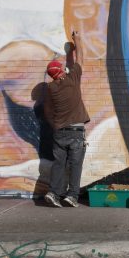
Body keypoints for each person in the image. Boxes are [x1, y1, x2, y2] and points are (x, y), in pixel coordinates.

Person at [43, 31, 90, 207]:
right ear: (62, 71)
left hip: (59, 131)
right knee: (75, 165)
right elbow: (80, 60)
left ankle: (53, 193)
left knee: (58, 164)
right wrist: (77, 40)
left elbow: (47, 110)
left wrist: (53, 124)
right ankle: (72, 196)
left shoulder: (51, 88)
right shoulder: (73, 79)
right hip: (76, 131)